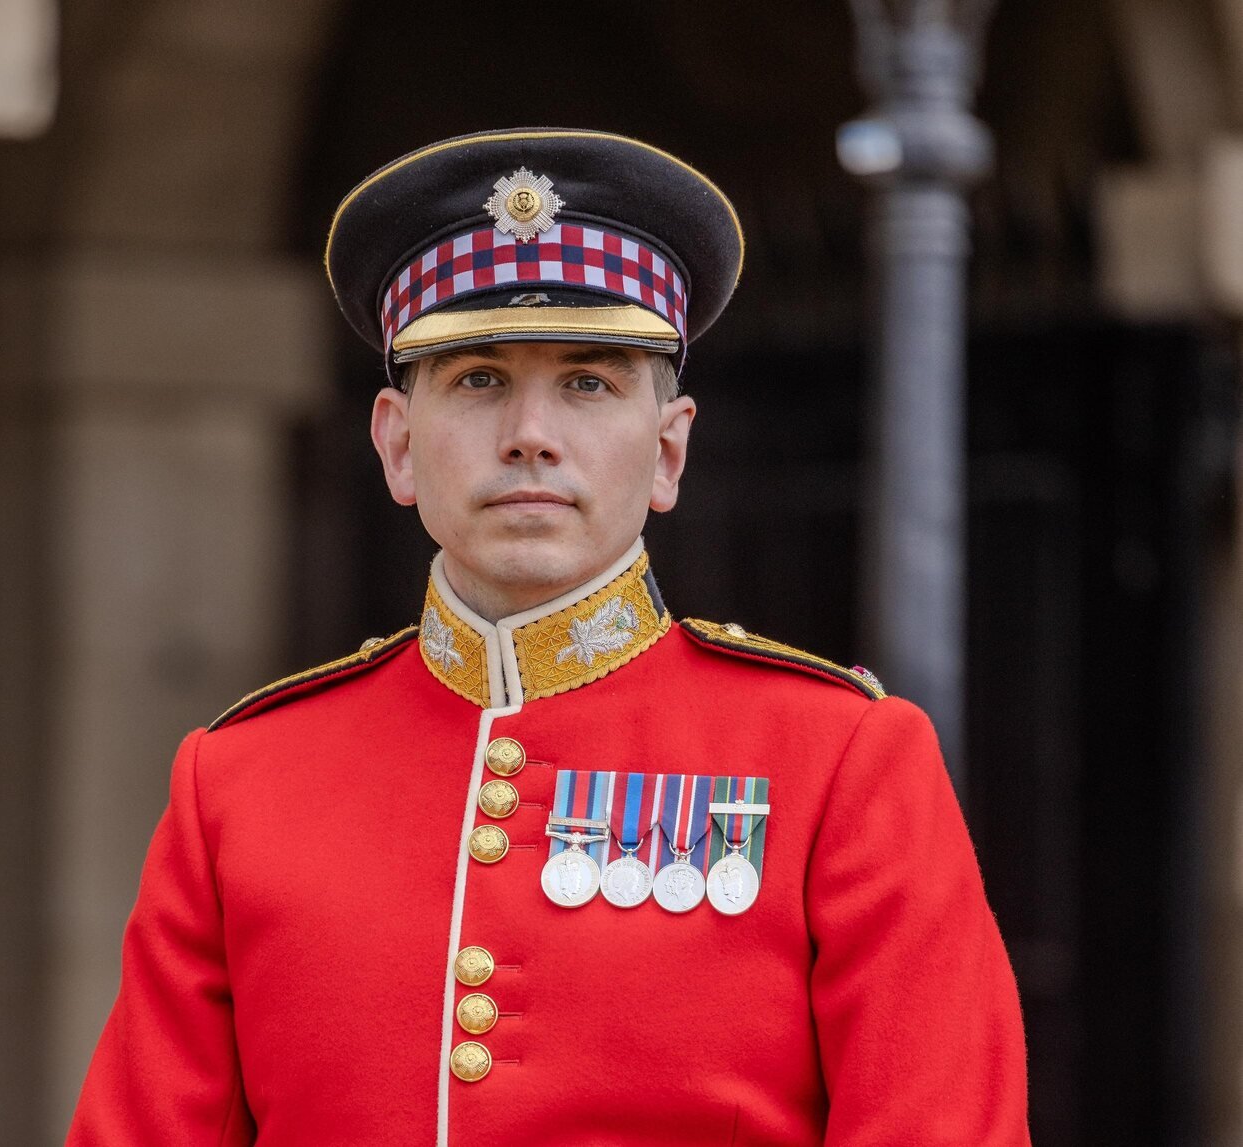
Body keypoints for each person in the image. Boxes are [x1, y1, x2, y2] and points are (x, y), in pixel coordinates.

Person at [66, 127, 1030, 1146]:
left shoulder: (841, 759)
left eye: (588, 382)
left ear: (668, 451)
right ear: (396, 443)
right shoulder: (239, 781)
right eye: (477, 378)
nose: (530, 430)